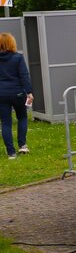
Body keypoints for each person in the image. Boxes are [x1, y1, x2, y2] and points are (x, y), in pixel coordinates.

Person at [0, 32, 34, 160]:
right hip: (18, 93)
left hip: (1, 93)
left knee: (6, 122)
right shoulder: (18, 58)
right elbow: (24, 76)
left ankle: (11, 153)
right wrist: (29, 92)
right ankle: (22, 145)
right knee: (22, 117)